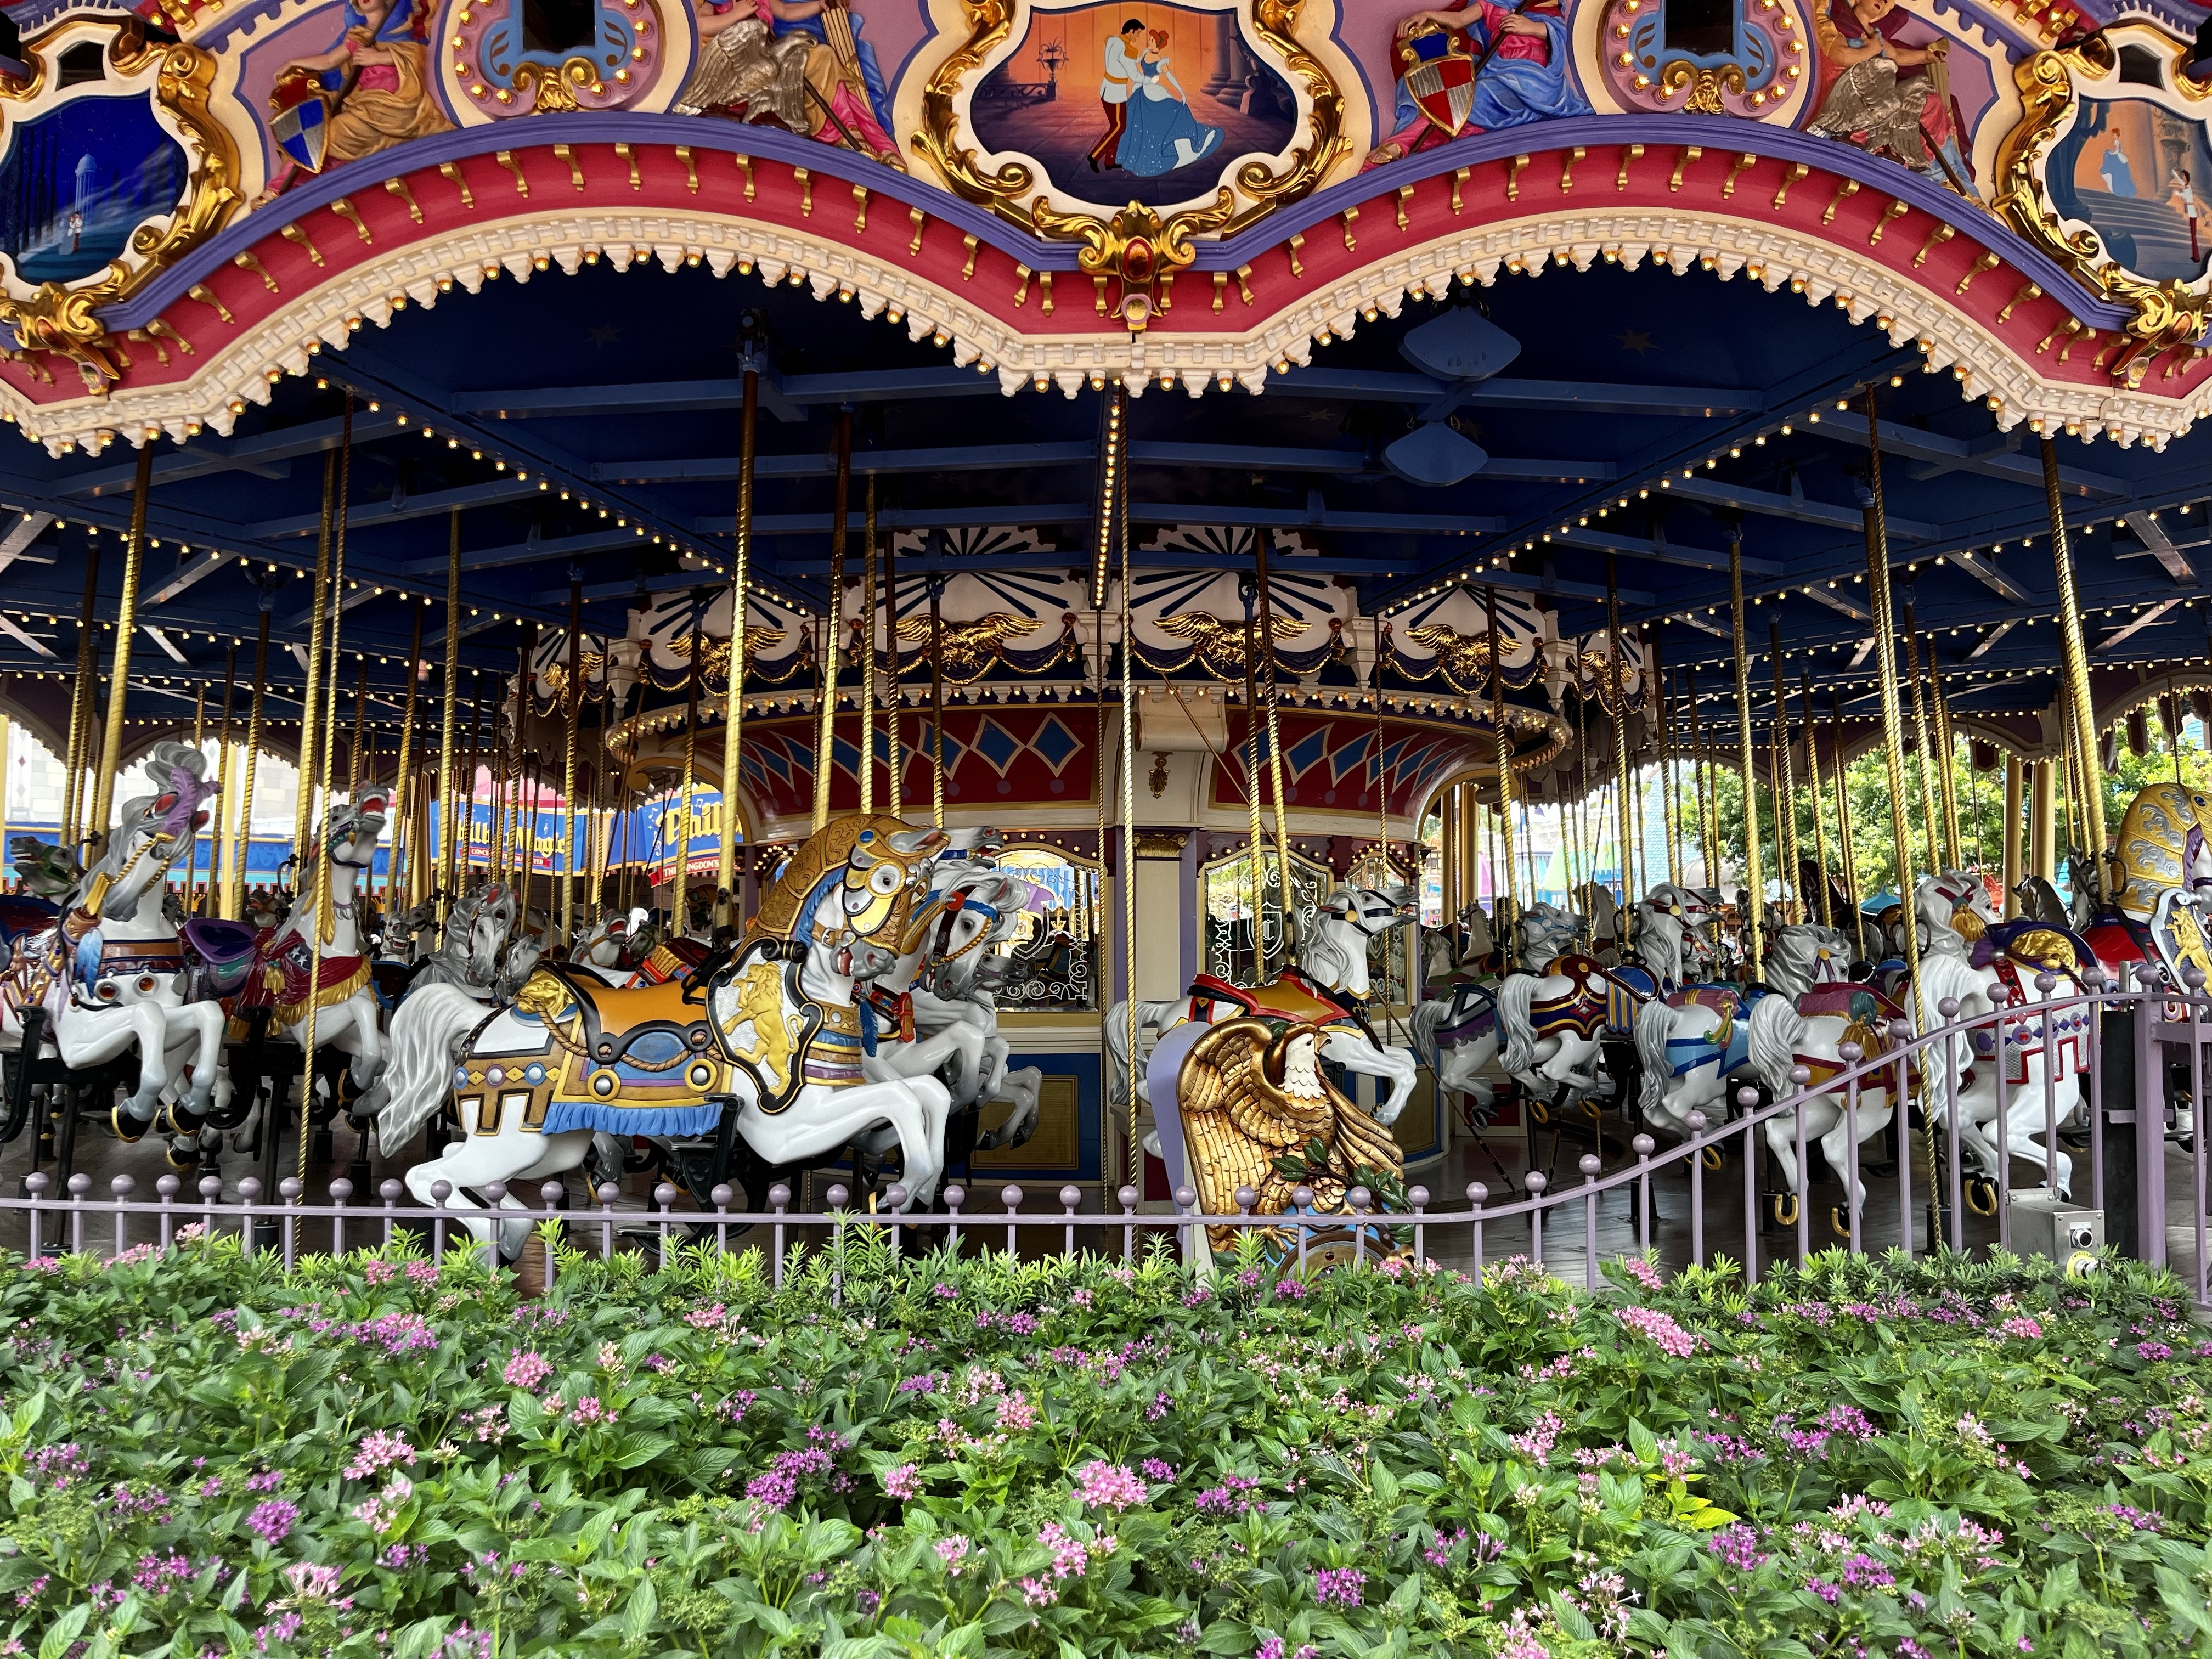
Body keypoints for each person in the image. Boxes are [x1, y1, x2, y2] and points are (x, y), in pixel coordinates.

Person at [255, 0, 450, 204]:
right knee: (313, 135)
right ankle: (288, 188)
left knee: (327, 135)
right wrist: (292, 62)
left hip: (394, 107)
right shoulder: (358, 35)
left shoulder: (401, 26)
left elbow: (416, 56)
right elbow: (330, 61)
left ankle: (281, 189)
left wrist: (379, 57)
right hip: (363, 106)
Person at [1364, 2, 1589, 169]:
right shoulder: (1497, 1)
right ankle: (1405, 141)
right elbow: (1460, 19)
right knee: (1442, 91)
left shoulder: (1549, 12)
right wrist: (1426, 14)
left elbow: (1556, 34)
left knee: (1472, 96)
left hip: (1533, 79)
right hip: (1499, 69)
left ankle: (1402, 145)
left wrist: (1531, 27)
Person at [1805, 0, 1973, 195]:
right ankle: (1852, 136)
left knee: (1924, 96)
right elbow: (1839, 55)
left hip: (1879, 93)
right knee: (1881, 76)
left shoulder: (1875, 35)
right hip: (1847, 92)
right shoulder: (1841, 23)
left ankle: (1899, 152)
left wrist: (1925, 57)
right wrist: (1870, 51)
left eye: (1887, 2)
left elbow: (1897, 56)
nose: (1882, 2)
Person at [1116, 28, 1222, 178]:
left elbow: (1171, 77)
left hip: (1154, 92)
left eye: (1153, 41)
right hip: (1142, 90)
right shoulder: (1146, 52)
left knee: (1168, 113)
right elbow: (1137, 61)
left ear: (1158, 45)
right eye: (1150, 40)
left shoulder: (1160, 61)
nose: (1150, 42)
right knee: (1135, 121)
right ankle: (1134, 154)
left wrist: (1182, 93)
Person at [1088, 18, 1148, 172]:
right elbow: (1134, 76)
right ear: (1131, 31)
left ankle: (1110, 161)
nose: (1138, 37)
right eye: (1138, 34)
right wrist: (1150, 79)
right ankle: (1095, 156)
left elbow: (1127, 59)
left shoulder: (1114, 41)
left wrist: (1142, 56)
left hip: (1109, 89)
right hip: (1115, 93)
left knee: (1118, 126)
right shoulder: (1125, 50)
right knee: (1119, 127)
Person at [2174, 166, 2203, 261]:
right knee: (2192, 236)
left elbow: (2187, 195)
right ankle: (2195, 256)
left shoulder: (2189, 187)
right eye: (2182, 176)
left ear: (2187, 177)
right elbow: (2180, 181)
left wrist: (2179, 194)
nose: (2183, 178)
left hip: (2193, 212)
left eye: (2184, 176)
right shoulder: (2185, 185)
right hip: (2191, 212)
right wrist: (2175, 173)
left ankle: (2197, 257)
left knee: (2194, 236)